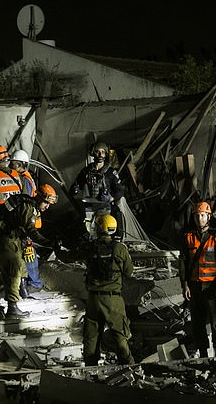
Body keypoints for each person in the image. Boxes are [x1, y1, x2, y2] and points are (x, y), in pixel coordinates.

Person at [0, 184, 58, 319]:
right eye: (46, 202)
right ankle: (12, 308)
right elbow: (31, 231)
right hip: (8, 240)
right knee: (14, 270)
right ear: (39, 198)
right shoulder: (28, 208)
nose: (47, 206)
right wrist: (49, 243)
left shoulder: (22, 200)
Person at [80, 214, 135, 366]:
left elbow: (69, 256)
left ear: (98, 228)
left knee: (91, 336)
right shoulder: (120, 248)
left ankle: (90, 369)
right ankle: (129, 366)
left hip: (93, 299)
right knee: (119, 334)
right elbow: (129, 272)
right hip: (113, 299)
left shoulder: (90, 247)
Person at [179, 201, 216, 357]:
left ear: (208, 216)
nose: (199, 219)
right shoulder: (188, 237)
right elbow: (183, 262)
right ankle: (203, 354)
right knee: (197, 323)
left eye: (202, 215)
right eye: (197, 215)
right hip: (195, 287)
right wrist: (185, 284)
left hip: (212, 287)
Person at [70, 142, 124, 238]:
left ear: (106, 154)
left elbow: (120, 190)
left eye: (103, 152)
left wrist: (111, 198)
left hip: (104, 207)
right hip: (89, 207)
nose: (100, 155)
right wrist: (75, 189)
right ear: (92, 153)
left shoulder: (110, 172)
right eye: (97, 152)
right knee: (90, 232)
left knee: (103, 231)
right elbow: (76, 186)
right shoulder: (86, 171)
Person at [10, 149, 43, 293]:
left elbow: (24, 201)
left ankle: (35, 283)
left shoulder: (24, 179)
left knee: (28, 251)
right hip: (29, 219)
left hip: (27, 220)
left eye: (13, 164)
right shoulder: (25, 177)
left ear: (20, 165)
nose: (11, 166)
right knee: (27, 250)